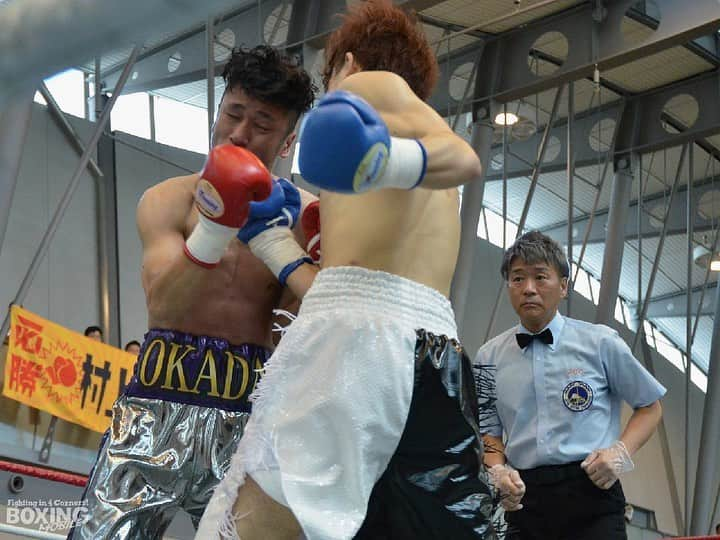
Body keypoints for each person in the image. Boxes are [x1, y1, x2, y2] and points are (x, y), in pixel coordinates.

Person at [196, 2, 494, 539]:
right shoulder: (411, 152)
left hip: (355, 339)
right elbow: (333, 287)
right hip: (436, 353)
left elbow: (466, 158)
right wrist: (269, 239)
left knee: (250, 524)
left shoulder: (368, 88)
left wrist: (383, 154)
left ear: (347, 62)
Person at [68, 45, 315, 540]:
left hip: (249, 413)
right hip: (155, 399)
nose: (240, 133)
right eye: (233, 114)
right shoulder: (168, 200)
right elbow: (164, 305)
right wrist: (216, 227)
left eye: (262, 124)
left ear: (287, 142)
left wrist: (281, 249)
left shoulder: (305, 218)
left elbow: (313, 326)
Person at [474, 231, 666, 540]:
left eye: (540, 277)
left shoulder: (601, 342)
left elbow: (650, 405)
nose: (529, 289)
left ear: (563, 286)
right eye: (518, 279)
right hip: (525, 499)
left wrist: (619, 453)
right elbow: (488, 431)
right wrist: (497, 472)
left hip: (593, 490)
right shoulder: (487, 357)